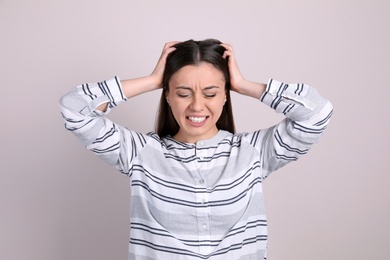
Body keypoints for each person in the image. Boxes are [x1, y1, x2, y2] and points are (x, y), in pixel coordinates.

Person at [59, 39, 333, 260]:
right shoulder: (140, 153)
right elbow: (74, 108)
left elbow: (317, 113)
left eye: (211, 93)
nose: (197, 106)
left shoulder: (253, 152)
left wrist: (245, 86)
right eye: (183, 93)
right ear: (167, 95)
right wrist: (153, 80)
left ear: (226, 95)